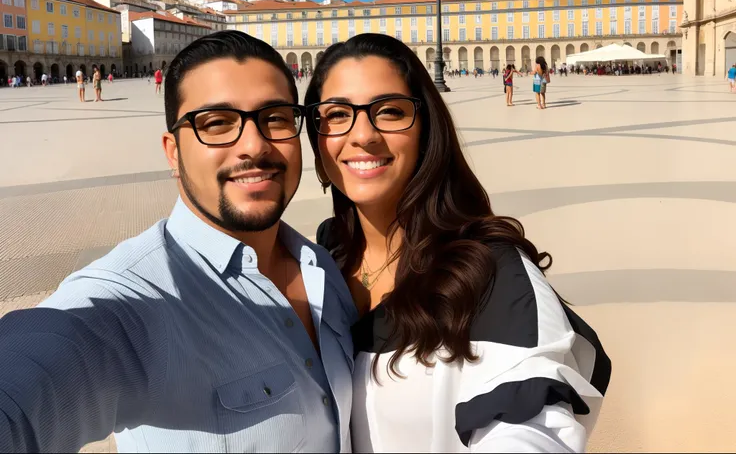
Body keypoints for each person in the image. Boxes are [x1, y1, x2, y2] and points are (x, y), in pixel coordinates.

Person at [0, 30, 355, 453]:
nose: (254, 145)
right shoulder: (136, 300)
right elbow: (37, 371)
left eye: (275, 117)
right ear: (173, 152)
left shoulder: (322, 266)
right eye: (216, 123)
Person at [304, 34, 610, 452]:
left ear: (427, 129)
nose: (363, 135)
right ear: (316, 135)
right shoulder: (323, 256)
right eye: (337, 114)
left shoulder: (490, 270)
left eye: (390, 112)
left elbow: (532, 424)